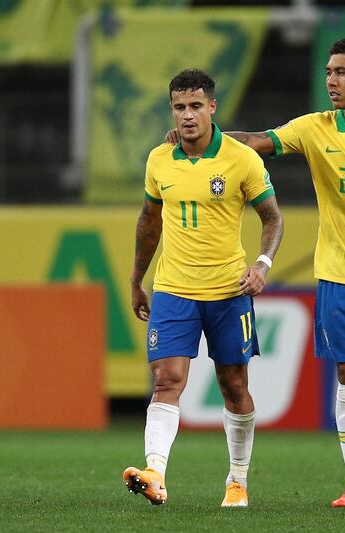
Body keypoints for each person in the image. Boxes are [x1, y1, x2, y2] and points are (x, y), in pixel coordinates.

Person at [169, 37, 345, 507]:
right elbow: (256, 141)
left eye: (340, 73)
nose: (330, 81)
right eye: (327, 72)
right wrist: (198, 134)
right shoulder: (315, 128)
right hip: (338, 271)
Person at [123, 69, 284, 508]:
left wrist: (262, 264)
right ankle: (155, 471)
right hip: (174, 289)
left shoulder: (241, 159)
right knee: (166, 380)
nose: (187, 115)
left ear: (213, 107)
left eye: (196, 106)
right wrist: (137, 279)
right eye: (179, 107)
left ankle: (237, 481)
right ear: (171, 110)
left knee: (234, 386)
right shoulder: (159, 159)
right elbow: (148, 222)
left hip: (230, 290)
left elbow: (272, 218)